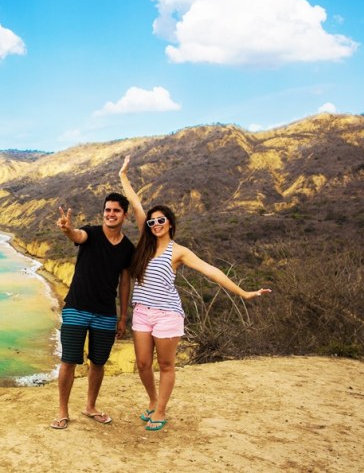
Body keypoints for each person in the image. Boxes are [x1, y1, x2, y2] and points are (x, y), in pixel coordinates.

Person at [119, 156, 271, 432]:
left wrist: (243, 293)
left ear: (171, 224)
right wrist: (123, 176)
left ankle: (161, 410)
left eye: (161, 220)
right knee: (142, 363)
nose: (155, 225)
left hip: (167, 314)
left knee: (165, 364)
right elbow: (136, 204)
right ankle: (153, 400)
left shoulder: (179, 251)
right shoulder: (145, 240)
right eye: (152, 222)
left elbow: (210, 271)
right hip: (142, 311)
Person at [51, 191, 139, 429]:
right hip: (76, 308)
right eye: (107, 210)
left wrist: (122, 317)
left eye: (116, 210)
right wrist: (67, 229)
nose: (111, 214)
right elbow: (77, 235)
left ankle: (90, 407)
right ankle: (62, 411)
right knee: (69, 361)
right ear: (103, 212)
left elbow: (124, 283)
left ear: (125, 214)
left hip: (105, 313)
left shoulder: (127, 249)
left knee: (98, 362)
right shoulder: (91, 232)